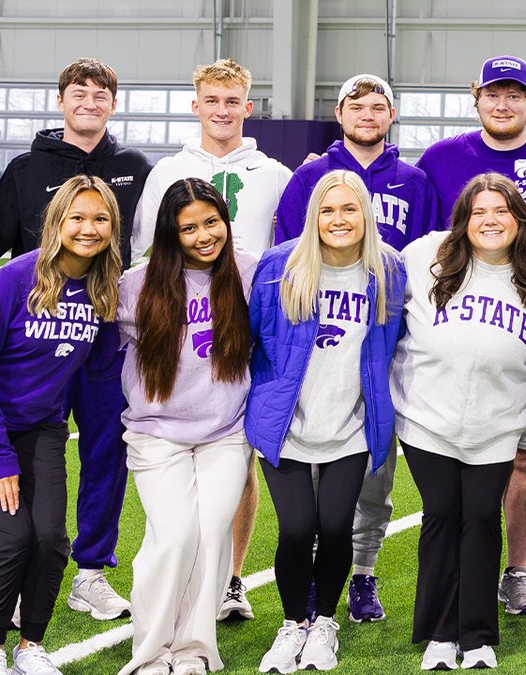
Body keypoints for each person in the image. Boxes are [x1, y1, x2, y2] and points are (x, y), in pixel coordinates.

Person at [0, 57, 152, 623]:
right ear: (61, 101)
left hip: (108, 337)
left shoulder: (135, 167)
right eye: (78, 92)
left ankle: (89, 574)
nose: (89, 101)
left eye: (100, 93)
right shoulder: (25, 169)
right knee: (32, 452)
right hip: (39, 339)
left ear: (113, 103)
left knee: (106, 450)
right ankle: (18, 576)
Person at [274, 72, 439, 623]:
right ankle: (314, 583)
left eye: (378, 107)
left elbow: (431, 260)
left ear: (390, 116)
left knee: (372, 469)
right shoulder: (309, 178)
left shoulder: (415, 181)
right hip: (315, 338)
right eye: (356, 106)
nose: (367, 115)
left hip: (381, 342)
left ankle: (362, 575)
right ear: (339, 114)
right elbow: (286, 257)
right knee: (307, 476)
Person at [0, 175, 122, 675]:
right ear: (57, 221)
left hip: (42, 427)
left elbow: (103, 371)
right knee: (12, 537)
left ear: (113, 226)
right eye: (77, 218)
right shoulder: (16, 278)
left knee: (49, 539)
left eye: (100, 218)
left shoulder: (105, 288)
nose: (88, 229)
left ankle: (31, 647)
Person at [416, 54, 526, 617]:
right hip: (457, 330)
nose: (503, 104)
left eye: (515, 95)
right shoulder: (439, 159)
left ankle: (516, 571)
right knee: (451, 463)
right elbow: (423, 243)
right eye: (494, 94)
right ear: (476, 96)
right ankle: (449, 573)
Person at [136, 58, 290, 621]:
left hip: (244, 327)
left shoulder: (274, 172)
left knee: (237, 454)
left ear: (248, 108)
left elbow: (286, 254)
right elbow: (145, 253)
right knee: (172, 451)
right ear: (195, 105)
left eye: (233, 102)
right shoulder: (167, 171)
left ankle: (230, 579)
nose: (222, 111)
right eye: (213, 101)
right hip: (181, 326)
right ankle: (176, 567)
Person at [394, 174, 526, 670]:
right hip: (428, 417)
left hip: (498, 421)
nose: (490, 221)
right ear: (463, 219)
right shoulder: (425, 256)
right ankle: (441, 634)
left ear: (519, 220)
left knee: (483, 519)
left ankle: (479, 634)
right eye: (479, 212)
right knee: (443, 514)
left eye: (501, 211)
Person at [246, 170, 404, 673]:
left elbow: (393, 344)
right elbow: (252, 340)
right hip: (288, 426)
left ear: (366, 214)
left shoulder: (388, 271)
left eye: (349, 209)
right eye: (328, 210)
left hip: (351, 426)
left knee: (336, 528)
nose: (338, 220)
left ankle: (324, 624)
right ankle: (293, 623)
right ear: (314, 214)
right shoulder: (278, 266)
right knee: (296, 529)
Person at [117, 178, 258, 675]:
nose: (204, 235)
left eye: (212, 222)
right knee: (174, 535)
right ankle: (153, 651)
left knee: (212, 533)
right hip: (157, 434)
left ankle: (195, 647)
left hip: (226, 432)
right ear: (170, 233)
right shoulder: (135, 286)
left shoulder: (247, 276)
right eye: (189, 228)